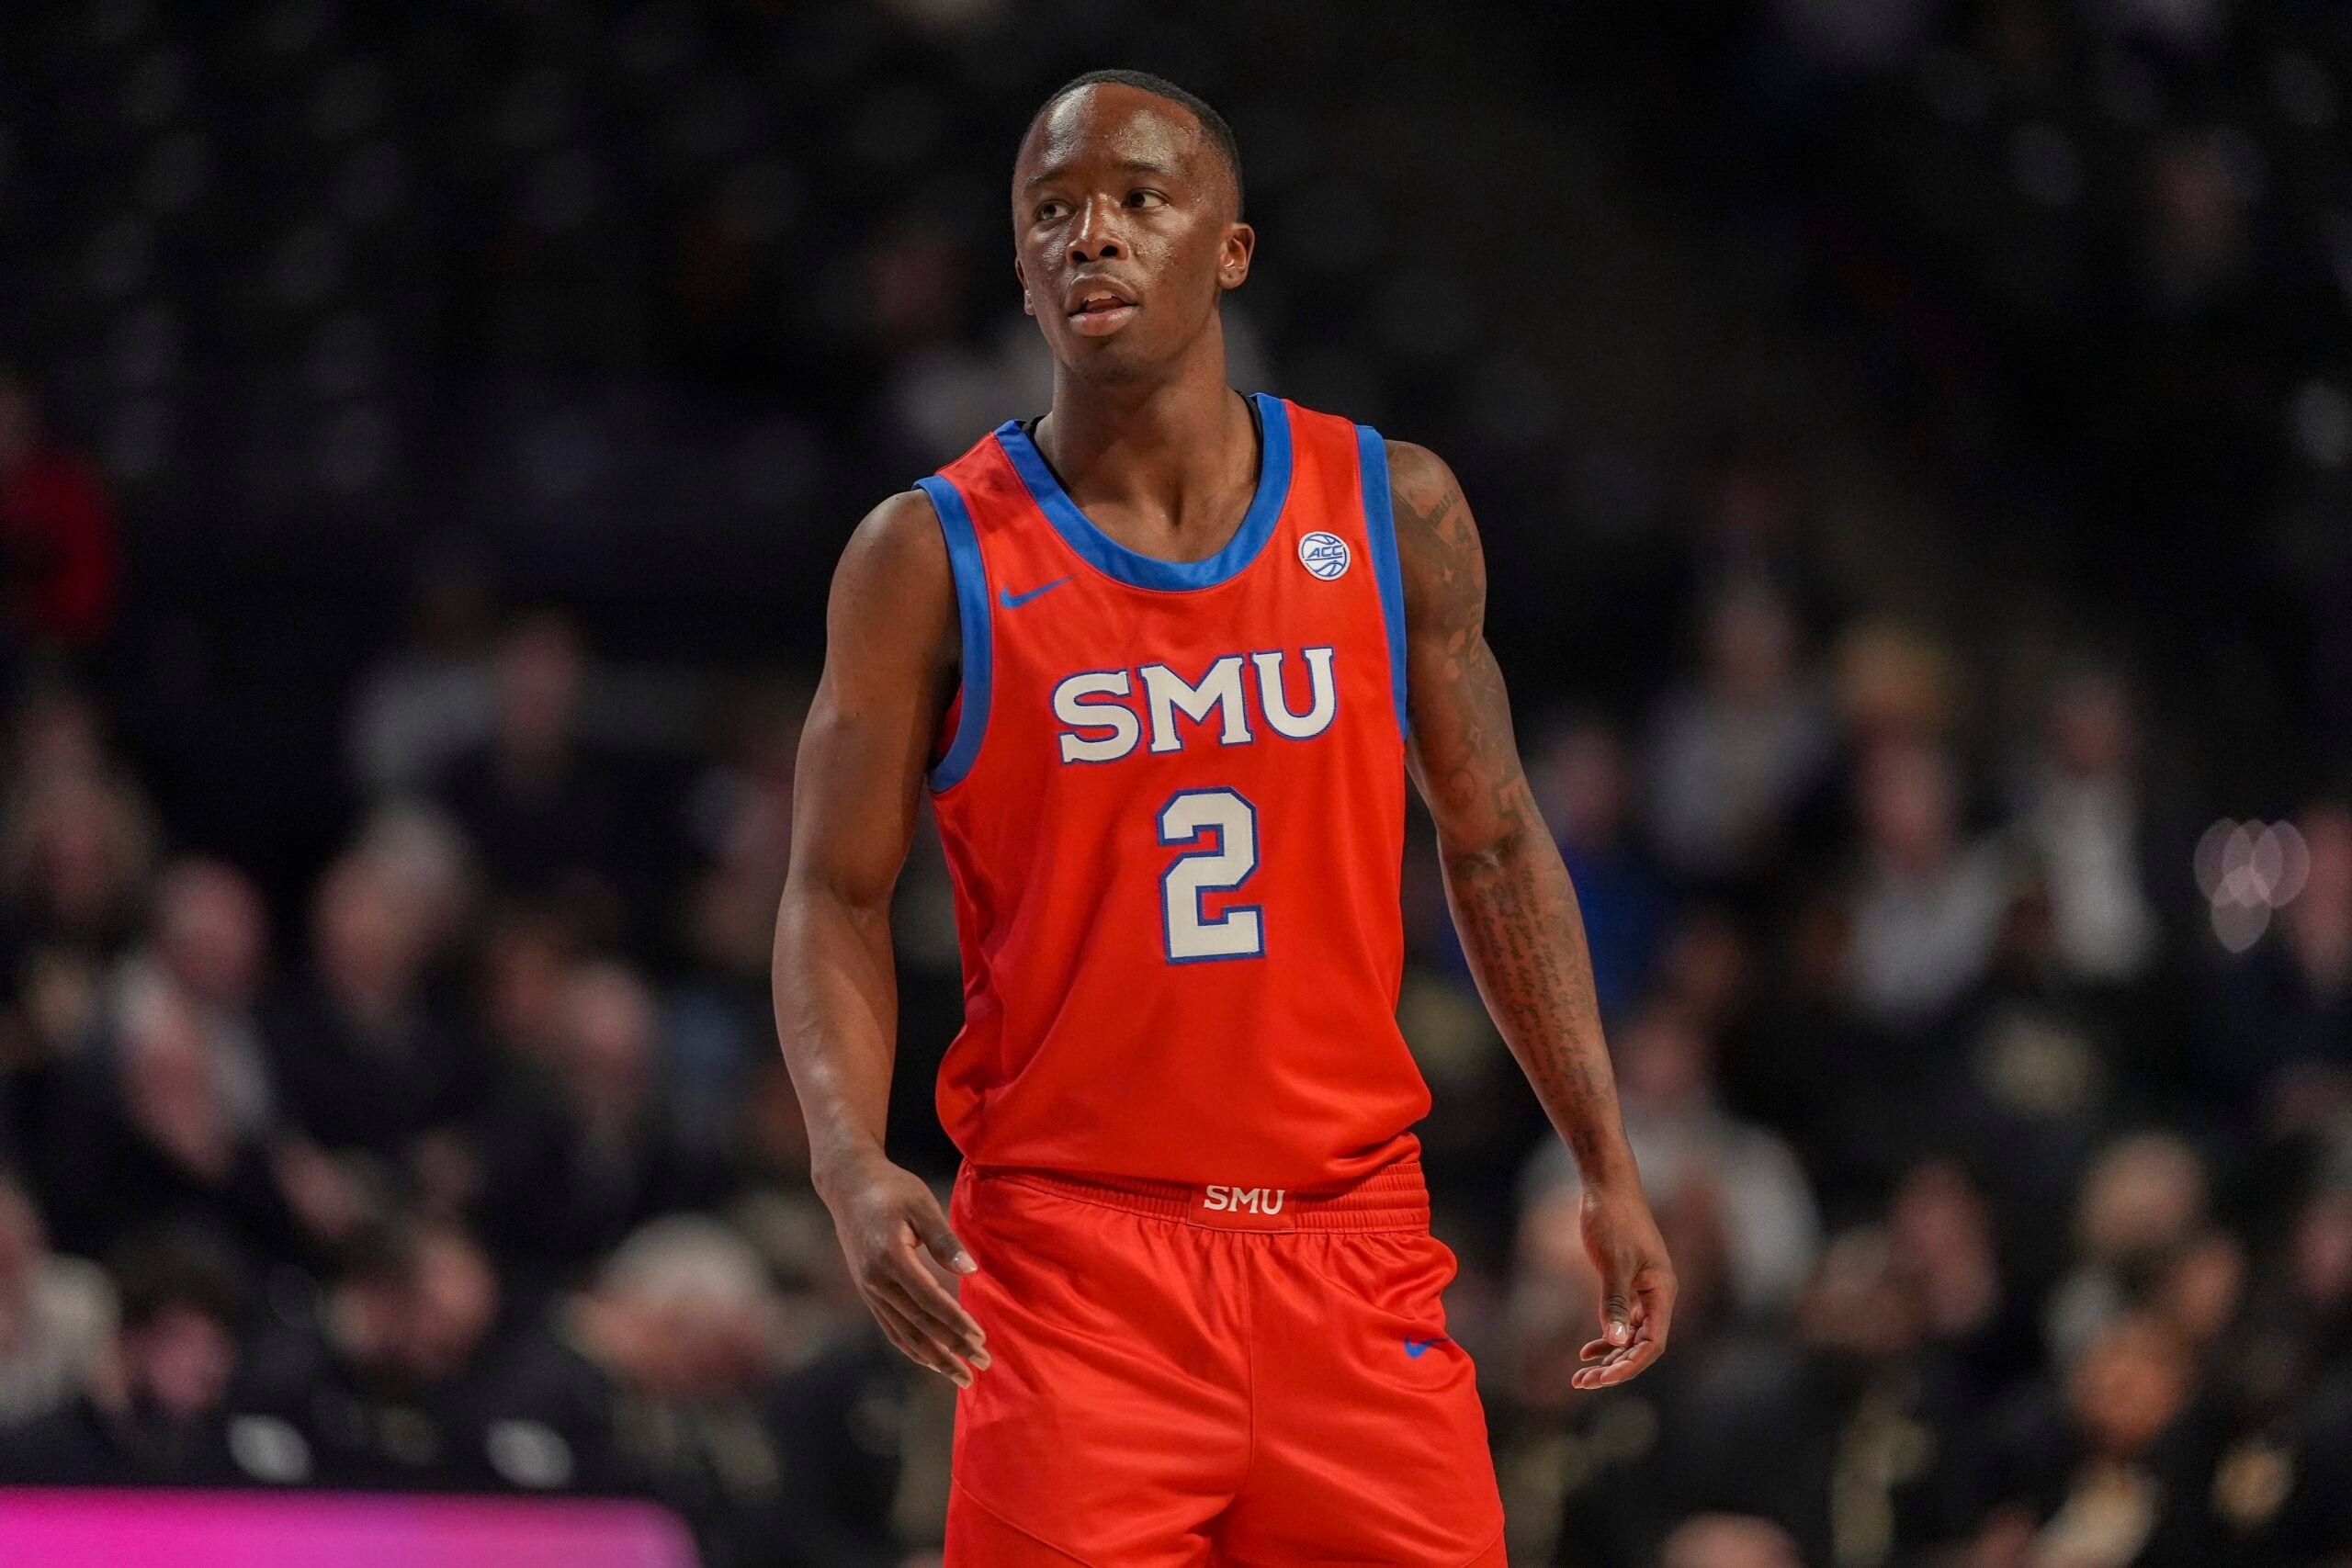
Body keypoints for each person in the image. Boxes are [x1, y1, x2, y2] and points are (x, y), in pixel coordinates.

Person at [773, 68, 1673, 1565]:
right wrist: (848, 1158)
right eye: (1050, 214)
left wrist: (1605, 1160)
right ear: (1018, 268)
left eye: (1138, 199)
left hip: (1352, 1250)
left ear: (1231, 250)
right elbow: (830, 891)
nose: (1092, 239)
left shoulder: (1393, 508)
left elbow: (1499, 842)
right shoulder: (924, 557)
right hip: (1074, 1268)